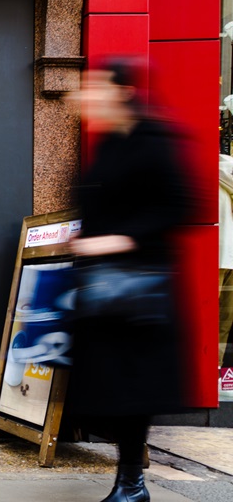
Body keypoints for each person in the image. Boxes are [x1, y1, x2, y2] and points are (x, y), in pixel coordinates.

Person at [67, 57, 193, 502]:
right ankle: (129, 482)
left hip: (138, 294)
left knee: (131, 389)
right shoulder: (109, 144)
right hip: (104, 292)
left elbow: (180, 206)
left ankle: (131, 484)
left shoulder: (155, 140)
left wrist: (118, 239)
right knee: (109, 387)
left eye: (94, 87)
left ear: (122, 92)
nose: (84, 96)